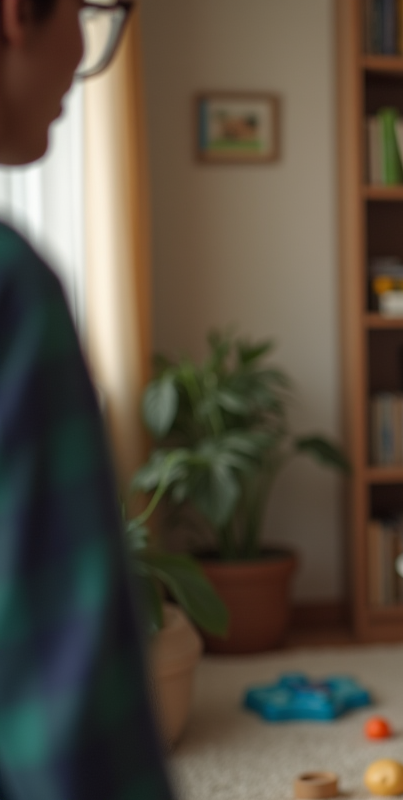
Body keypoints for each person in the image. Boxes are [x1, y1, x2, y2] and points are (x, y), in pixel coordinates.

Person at [0, 1, 176, 798]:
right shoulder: (13, 294)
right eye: (86, 12)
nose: (83, 53)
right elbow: (66, 699)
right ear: (16, 17)